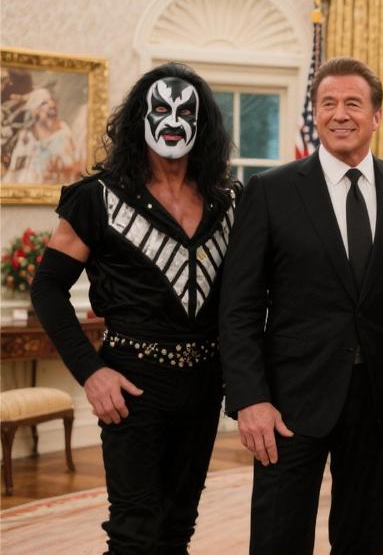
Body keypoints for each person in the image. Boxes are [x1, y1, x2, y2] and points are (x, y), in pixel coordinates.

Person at [219, 57, 383, 555]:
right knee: (277, 541)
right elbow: (238, 305)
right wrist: (249, 398)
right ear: (316, 113)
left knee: (362, 541)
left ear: (376, 116)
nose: (340, 114)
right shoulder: (270, 191)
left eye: (353, 102)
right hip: (286, 403)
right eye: (328, 103)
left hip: (380, 398)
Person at [30, 62, 236, 554]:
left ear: (203, 125)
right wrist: (91, 373)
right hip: (132, 384)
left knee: (177, 528)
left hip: (206, 383)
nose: (173, 122)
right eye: (161, 109)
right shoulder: (97, 198)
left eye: (186, 113)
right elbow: (47, 289)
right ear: (140, 119)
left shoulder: (228, 202)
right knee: (134, 533)